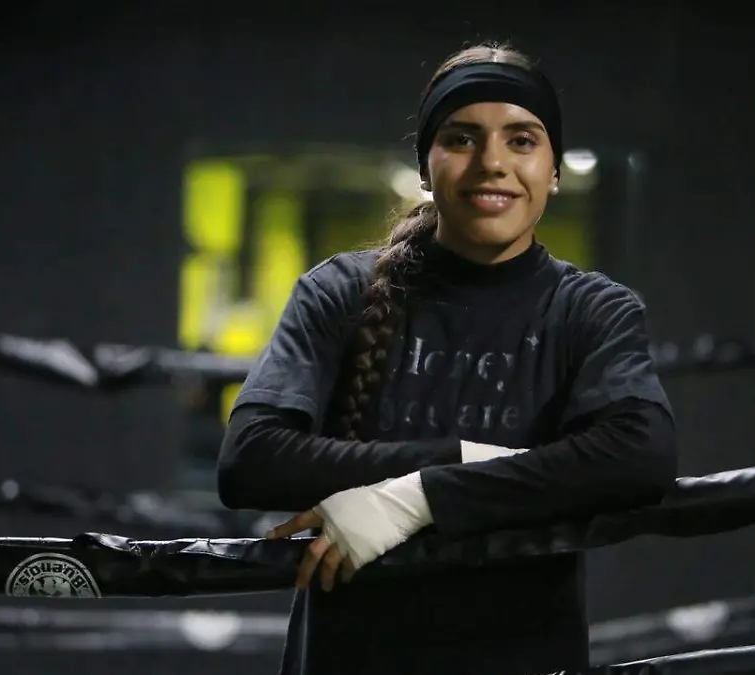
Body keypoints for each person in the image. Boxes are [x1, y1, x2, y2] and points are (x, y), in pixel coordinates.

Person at [217, 41, 678, 675]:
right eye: (462, 138)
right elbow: (251, 458)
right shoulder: (339, 293)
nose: (492, 163)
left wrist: (416, 498)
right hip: (352, 658)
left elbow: (639, 455)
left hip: (521, 654)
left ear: (554, 169)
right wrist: (460, 460)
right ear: (427, 167)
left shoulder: (591, 310)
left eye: (521, 140)